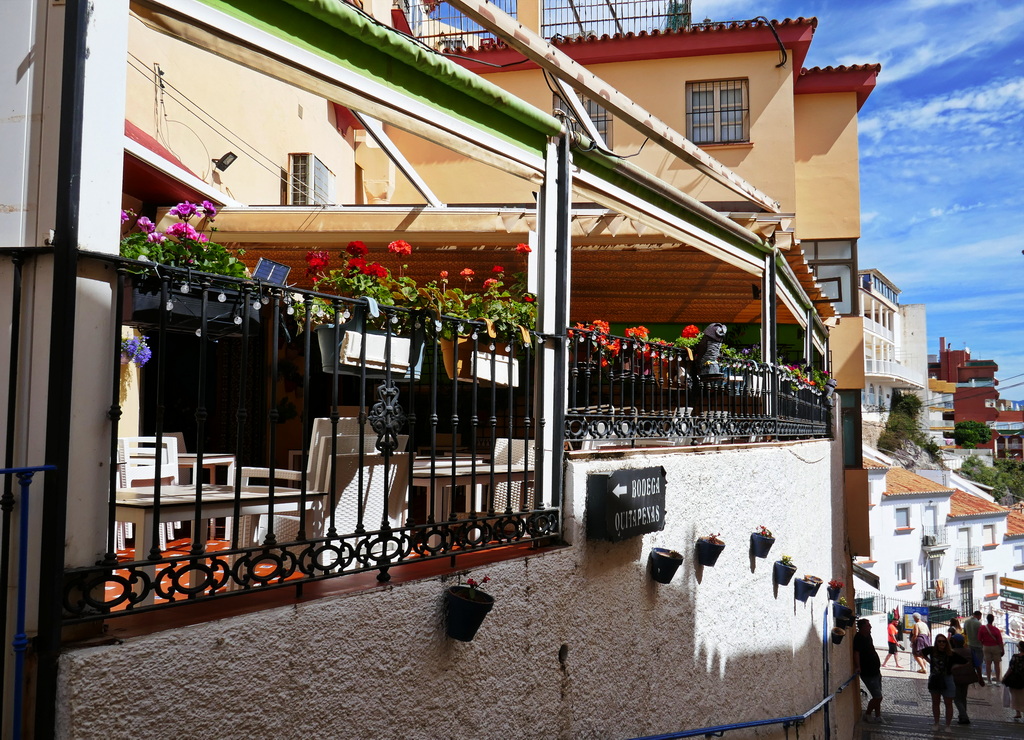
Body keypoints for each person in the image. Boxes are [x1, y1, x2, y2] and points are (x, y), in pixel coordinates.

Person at [922, 633, 968, 731]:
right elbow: (920, 652)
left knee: (948, 703)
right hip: (935, 678)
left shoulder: (951, 654)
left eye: (943, 641)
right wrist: (929, 661)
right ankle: (936, 723)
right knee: (935, 702)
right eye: (939, 641)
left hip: (947, 678)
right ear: (936, 642)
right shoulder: (932, 650)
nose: (941, 643)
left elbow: (965, 662)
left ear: (946, 643)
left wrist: (953, 667)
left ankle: (948, 725)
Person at [852, 619, 883, 723]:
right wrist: (858, 666)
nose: (870, 627)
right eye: (868, 625)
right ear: (863, 627)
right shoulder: (859, 638)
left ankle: (878, 716)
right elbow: (856, 653)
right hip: (868, 672)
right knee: (878, 697)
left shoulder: (868, 635)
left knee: (878, 695)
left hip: (875, 671)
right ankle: (868, 714)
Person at [949, 633, 983, 725]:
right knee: (963, 697)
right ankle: (962, 716)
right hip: (967, 676)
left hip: (955, 677)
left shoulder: (951, 652)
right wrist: (980, 677)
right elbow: (977, 665)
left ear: (954, 642)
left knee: (957, 698)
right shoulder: (970, 651)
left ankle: (964, 716)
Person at [978, 613, 1004, 683]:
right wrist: (1002, 649)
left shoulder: (982, 628)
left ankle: (989, 680)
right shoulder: (996, 630)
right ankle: (998, 681)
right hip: (995, 647)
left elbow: (979, 638)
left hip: (986, 647)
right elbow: (1000, 641)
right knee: (997, 664)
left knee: (988, 664)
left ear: (987, 619)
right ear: (993, 620)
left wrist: (983, 644)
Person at [1004, 640, 1024, 721]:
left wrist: (1005, 676)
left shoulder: (1015, 657)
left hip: (1015, 679)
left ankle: (1018, 713)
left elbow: (1011, 668)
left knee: (1015, 696)